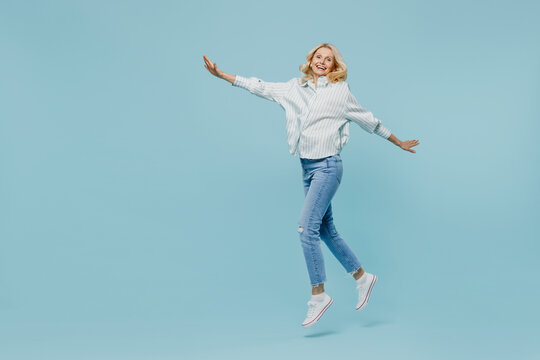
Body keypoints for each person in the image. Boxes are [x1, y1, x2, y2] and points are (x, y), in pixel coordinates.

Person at [202, 43, 419, 327]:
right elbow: (261, 87)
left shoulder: (340, 93)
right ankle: (363, 277)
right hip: (307, 167)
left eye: (328, 59)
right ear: (311, 60)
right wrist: (225, 76)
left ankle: (318, 295)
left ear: (334, 66)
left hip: (328, 166)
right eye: (318, 56)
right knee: (327, 230)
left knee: (307, 229)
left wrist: (398, 141)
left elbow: (370, 121)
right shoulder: (295, 88)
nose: (322, 61)